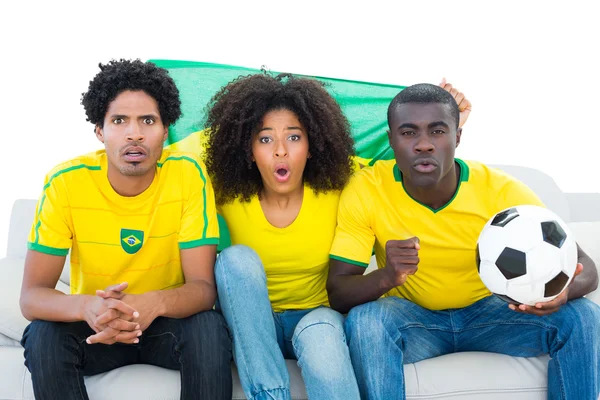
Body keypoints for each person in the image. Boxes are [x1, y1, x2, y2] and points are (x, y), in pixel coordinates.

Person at [203, 73, 470, 400]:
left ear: (313, 146)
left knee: (321, 339)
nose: (281, 152)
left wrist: (445, 122)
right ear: (248, 149)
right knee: (234, 260)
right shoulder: (226, 191)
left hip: (319, 317)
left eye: (294, 138)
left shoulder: (342, 184)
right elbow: (172, 167)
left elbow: (400, 162)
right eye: (265, 139)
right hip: (255, 328)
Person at [327, 83, 600, 400]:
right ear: (391, 140)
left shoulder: (501, 191)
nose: (424, 145)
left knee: (583, 316)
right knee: (366, 321)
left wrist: (561, 295)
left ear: (458, 137)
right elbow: (338, 294)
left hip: (494, 316)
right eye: (408, 132)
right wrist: (387, 276)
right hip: (415, 321)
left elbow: (588, 269)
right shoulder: (368, 188)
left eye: (438, 131)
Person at [19, 59, 232, 400]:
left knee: (209, 328)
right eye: (119, 121)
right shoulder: (65, 183)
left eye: (148, 120)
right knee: (43, 335)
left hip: (163, 324)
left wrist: (152, 303)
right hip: (97, 328)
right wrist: (87, 307)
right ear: (100, 131)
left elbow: (203, 290)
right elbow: (31, 297)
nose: (134, 133)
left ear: (165, 129)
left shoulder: (188, 176)